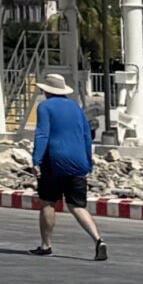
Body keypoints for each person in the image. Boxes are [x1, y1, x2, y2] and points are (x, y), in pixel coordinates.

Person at [30, 71, 106, 261]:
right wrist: (88, 161)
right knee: (77, 205)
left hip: (54, 162)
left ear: (47, 91)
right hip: (78, 162)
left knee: (48, 202)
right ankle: (98, 240)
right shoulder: (76, 108)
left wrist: (36, 160)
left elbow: (42, 134)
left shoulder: (44, 107)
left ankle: (46, 245)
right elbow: (87, 136)